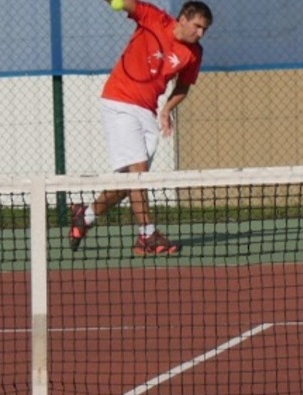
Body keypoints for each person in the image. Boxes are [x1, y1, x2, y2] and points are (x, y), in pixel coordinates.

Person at [70, 0, 213, 256]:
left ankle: (85, 216)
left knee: (132, 180)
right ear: (182, 19)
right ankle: (147, 234)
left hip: (147, 111)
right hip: (119, 101)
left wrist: (167, 109)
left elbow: (183, 86)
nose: (200, 33)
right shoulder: (154, 18)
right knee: (138, 171)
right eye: (197, 26)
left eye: (205, 29)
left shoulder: (194, 53)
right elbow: (122, 2)